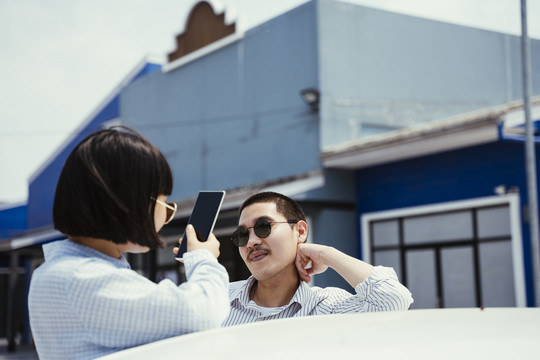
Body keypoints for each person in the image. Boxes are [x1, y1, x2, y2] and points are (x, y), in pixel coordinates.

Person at [28, 127, 230, 360]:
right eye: (165, 207)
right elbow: (203, 313)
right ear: (130, 200)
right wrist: (203, 258)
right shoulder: (81, 277)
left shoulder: (65, 271)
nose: (166, 219)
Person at [221, 191, 413, 326]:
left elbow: (393, 299)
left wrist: (326, 254)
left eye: (264, 226)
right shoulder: (217, 299)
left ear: (300, 231)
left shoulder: (327, 307)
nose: (251, 242)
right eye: (242, 235)